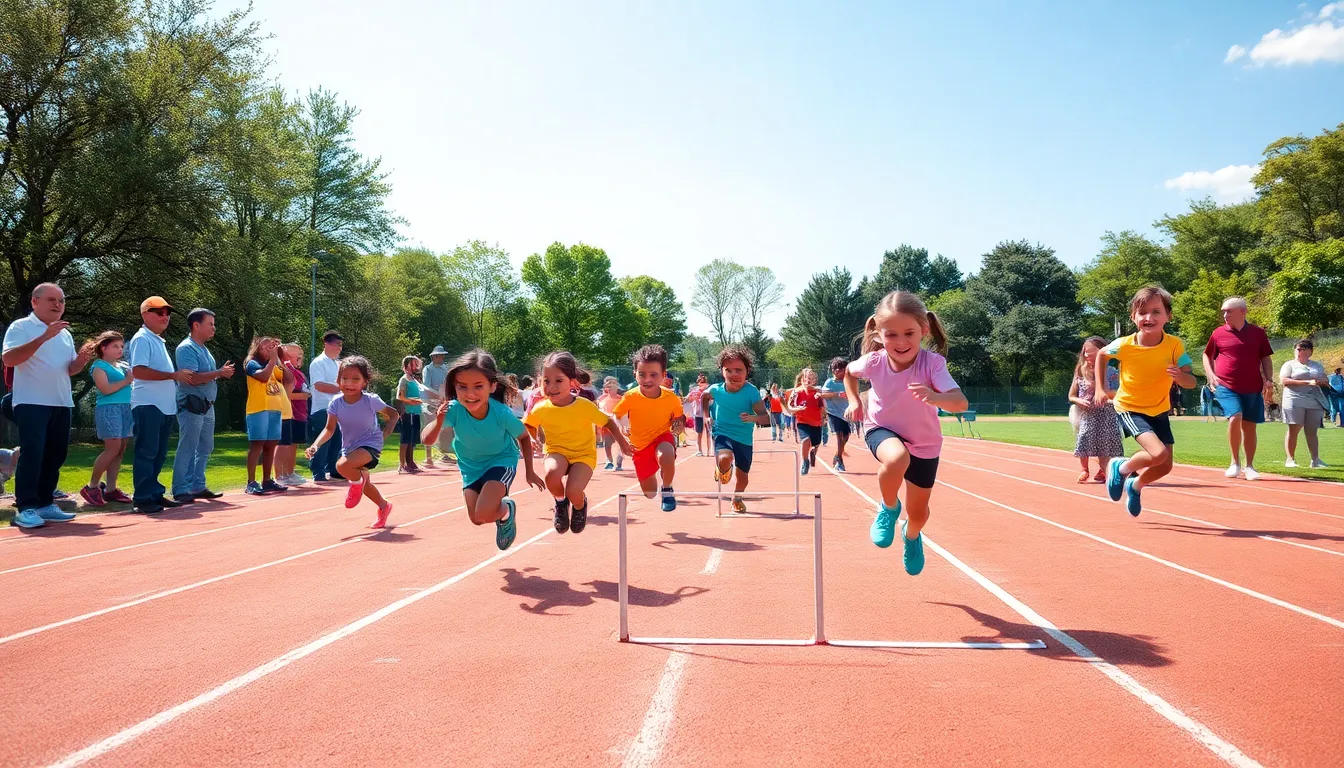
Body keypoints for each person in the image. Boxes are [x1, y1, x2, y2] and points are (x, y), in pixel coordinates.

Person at [844, 290, 966, 576]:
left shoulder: (932, 364)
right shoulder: (873, 362)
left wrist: (936, 397)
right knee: (897, 458)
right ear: (878, 334)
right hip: (881, 428)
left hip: (924, 442)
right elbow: (849, 372)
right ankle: (888, 507)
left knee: (919, 514)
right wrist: (853, 400)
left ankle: (911, 536)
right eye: (891, 335)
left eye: (909, 333)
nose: (900, 342)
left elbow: (960, 402)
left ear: (923, 330)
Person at [422, 350, 542, 550]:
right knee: (477, 518)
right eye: (462, 387)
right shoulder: (453, 409)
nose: (470, 394)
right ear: (455, 387)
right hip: (471, 467)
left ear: (492, 386)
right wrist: (439, 421)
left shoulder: (501, 413)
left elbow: (522, 436)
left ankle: (507, 508)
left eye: (478, 386)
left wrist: (529, 471)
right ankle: (503, 512)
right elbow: (427, 440)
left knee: (485, 512)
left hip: (501, 461)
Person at [1098, 286, 1196, 518]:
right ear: (1133, 317)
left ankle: (1135, 485)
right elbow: (1102, 354)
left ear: (1168, 316)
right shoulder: (1124, 345)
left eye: (1155, 311)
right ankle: (1121, 467)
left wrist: (1180, 377)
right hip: (1130, 408)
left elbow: (1191, 381)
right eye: (1142, 312)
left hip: (1159, 409)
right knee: (1158, 453)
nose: (1148, 317)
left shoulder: (1174, 345)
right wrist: (1101, 389)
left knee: (1165, 465)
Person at [2, 283, 94, 528]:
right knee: (33, 454)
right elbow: (9, 358)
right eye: (52, 300)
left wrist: (82, 360)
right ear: (35, 302)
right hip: (31, 401)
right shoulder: (21, 327)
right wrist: (43, 337)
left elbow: (69, 370)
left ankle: (44, 502)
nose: (58, 305)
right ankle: (26, 507)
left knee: (56, 455)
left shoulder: (64, 333)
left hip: (61, 402)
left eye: (62, 301)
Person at [524, 351, 631, 535]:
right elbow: (528, 425)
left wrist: (621, 442)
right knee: (551, 474)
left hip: (583, 455)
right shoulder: (541, 408)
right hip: (556, 451)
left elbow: (608, 422)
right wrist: (532, 437)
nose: (551, 387)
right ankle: (560, 503)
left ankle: (580, 506)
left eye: (558, 381)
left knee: (574, 491)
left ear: (572, 382)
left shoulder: (583, 406)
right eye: (546, 381)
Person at [306, 356, 399, 528]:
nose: (349, 383)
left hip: (371, 444)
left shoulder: (370, 400)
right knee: (365, 485)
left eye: (355, 379)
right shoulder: (335, 404)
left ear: (365, 381)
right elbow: (329, 429)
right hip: (350, 447)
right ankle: (384, 506)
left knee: (341, 466)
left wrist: (386, 431)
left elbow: (394, 414)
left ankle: (356, 483)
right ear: (338, 380)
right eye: (345, 378)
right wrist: (315, 445)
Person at [129, 296, 197, 513]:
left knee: (158, 453)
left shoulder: (156, 340)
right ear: (145, 314)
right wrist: (173, 375)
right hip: (148, 404)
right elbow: (138, 371)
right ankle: (142, 497)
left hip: (163, 406)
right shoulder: (142, 338)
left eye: (167, 313)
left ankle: (154, 493)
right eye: (159, 312)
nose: (165, 317)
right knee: (147, 452)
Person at [1202, 297, 1273, 481]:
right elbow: (1207, 355)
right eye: (1223, 311)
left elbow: (1265, 357)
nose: (1225, 315)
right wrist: (1211, 375)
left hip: (1252, 386)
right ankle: (1234, 463)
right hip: (1225, 385)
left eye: (1229, 311)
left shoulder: (1258, 333)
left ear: (1243, 311)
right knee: (1235, 417)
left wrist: (1269, 379)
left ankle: (1249, 466)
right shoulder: (1218, 333)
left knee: (1249, 426)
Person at [171, 309, 233, 502]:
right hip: (192, 405)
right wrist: (219, 373)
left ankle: (197, 486)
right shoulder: (186, 348)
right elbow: (191, 378)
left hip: (207, 405)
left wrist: (218, 373)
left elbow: (205, 376)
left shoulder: (204, 348)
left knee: (206, 446)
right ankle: (180, 488)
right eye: (210, 324)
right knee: (188, 446)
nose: (214, 328)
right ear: (196, 325)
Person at [614, 345, 685, 511]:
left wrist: (678, 426)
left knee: (666, 452)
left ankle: (667, 488)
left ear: (663, 375)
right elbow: (617, 414)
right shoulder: (630, 397)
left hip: (661, 437)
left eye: (653, 375)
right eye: (642, 374)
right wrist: (624, 427)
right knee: (650, 492)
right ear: (635, 374)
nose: (647, 379)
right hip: (639, 446)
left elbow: (678, 418)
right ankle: (655, 479)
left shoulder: (671, 398)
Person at [701, 345, 771, 514]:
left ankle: (737, 498)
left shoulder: (752, 392)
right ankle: (723, 467)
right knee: (725, 456)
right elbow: (704, 397)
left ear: (747, 371)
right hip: (722, 431)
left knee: (743, 478)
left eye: (738, 370)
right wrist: (706, 416)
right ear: (722, 371)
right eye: (728, 370)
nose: (734, 375)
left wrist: (753, 418)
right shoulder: (715, 390)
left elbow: (766, 418)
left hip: (744, 438)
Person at [81, 332, 134, 506]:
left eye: (121, 346)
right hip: (109, 409)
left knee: (120, 450)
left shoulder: (123, 365)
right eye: (115, 346)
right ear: (104, 348)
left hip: (126, 408)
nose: (120, 350)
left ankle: (111, 489)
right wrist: (126, 381)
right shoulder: (99, 366)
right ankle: (92, 487)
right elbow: (105, 389)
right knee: (112, 448)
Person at [1067, 337, 1123, 483]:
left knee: (1106, 442)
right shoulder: (1080, 370)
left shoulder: (1112, 369)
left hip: (1107, 413)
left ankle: (1103, 471)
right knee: (1084, 438)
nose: (1086, 355)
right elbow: (1071, 396)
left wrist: (1108, 398)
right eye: (1085, 352)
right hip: (1088, 414)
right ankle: (1084, 470)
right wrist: (1079, 400)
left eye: (1090, 352)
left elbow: (1116, 392)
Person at [243, 336, 288, 495]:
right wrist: (273, 360)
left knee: (271, 445)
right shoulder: (251, 362)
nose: (269, 349)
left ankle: (267, 480)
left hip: (274, 409)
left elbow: (289, 379)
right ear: (256, 348)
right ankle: (251, 482)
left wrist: (279, 357)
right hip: (258, 409)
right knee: (257, 444)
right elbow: (262, 377)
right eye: (266, 347)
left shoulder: (273, 363)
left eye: (272, 347)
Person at [1279, 338, 1330, 469]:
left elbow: (1324, 378)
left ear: (1309, 351)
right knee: (1294, 428)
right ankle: (1290, 459)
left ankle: (1315, 460)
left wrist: (1321, 381)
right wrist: (1307, 382)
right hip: (1294, 399)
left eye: (1301, 349)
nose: (1298, 351)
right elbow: (1284, 380)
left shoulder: (1316, 365)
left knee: (1312, 431)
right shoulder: (1289, 364)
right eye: (1297, 349)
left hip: (1314, 400)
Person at [307, 331, 344, 482]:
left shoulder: (339, 364)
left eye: (341, 345)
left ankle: (334, 469)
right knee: (323, 441)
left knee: (337, 441)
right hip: (322, 409)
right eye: (337, 345)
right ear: (327, 344)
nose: (340, 348)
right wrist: (341, 388)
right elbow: (319, 385)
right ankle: (318, 472)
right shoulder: (318, 362)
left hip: (339, 409)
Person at [275, 343, 309, 487]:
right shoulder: (283, 371)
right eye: (297, 357)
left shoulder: (298, 372)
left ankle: (290, 472)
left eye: (301, 357)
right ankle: (279, 475)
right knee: (284, 444)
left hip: (300, 414)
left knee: (293, 444)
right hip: (288, 413)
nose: (300, 360)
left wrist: (305, 395)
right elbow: (284, 393)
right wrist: (303, 395)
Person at [818, 358, 853, 472]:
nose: (837, 371)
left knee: (846, 437)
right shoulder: (830, 382)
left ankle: (837, 455)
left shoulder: (849, 381)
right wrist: (837, 394)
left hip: (846, 413)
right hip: (833, 412)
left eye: (840, 369)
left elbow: (854, 393)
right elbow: (823, 394)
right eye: (834, 369)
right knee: (840, 436)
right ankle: (840, 461)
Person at [789, 368, 825, 474]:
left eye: (811, 378)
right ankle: (805, 461)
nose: (808, 380)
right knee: (806, 439)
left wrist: (824, 417)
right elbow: (789, 407)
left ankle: (812, 453)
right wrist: (796, 409)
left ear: (814, 380)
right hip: (802, 421)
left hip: (816, 422)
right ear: (802, 379)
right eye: (806, 378)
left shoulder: (817, 391)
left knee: (816, 443)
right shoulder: (796, 392)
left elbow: (822, 406)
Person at [421, 345, 450, 468]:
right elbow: (426, 386)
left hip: (444, 401)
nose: (443, 357)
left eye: (443, 355)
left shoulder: (445, 368)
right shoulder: (428, 369)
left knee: (444, 427)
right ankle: (428, 458)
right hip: (431, 402)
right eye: (440, 355)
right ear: (434, 357)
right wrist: (437, 396)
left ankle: (444, 454)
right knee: (429, 427)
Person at [396, 355, 423, 474]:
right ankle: (402, 464)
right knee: (405, 439)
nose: (415, 367)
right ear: (406, 365)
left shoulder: (414, 379)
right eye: (413, 364)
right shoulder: (404, 379)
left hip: (416, 411)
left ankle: (410, 462)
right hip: (408, 412)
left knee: (413, 439)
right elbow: (400, 396)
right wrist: (412, 401)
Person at [597, 376, 626, 471]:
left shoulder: (622, 399)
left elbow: (625, 412)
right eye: (608, 387)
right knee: (607, 443)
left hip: (619, 425)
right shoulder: (601, 399)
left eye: (612, 387)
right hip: (607, 424)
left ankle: (619, 462)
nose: (610, 389)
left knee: (620, 444)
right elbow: (599, 411)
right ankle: (609, 461)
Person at [684, 373, 709, 457]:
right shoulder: (694, 391)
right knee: (699, 433)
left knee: (709, 433)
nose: (703, 383)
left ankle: (710, 450)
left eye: (704, 382)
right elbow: (687, 399)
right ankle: (699, 450)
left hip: (708, 415)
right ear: (698, 382)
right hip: (698, 414)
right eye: (701, 382)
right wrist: (692, 399)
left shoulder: (709, 391)